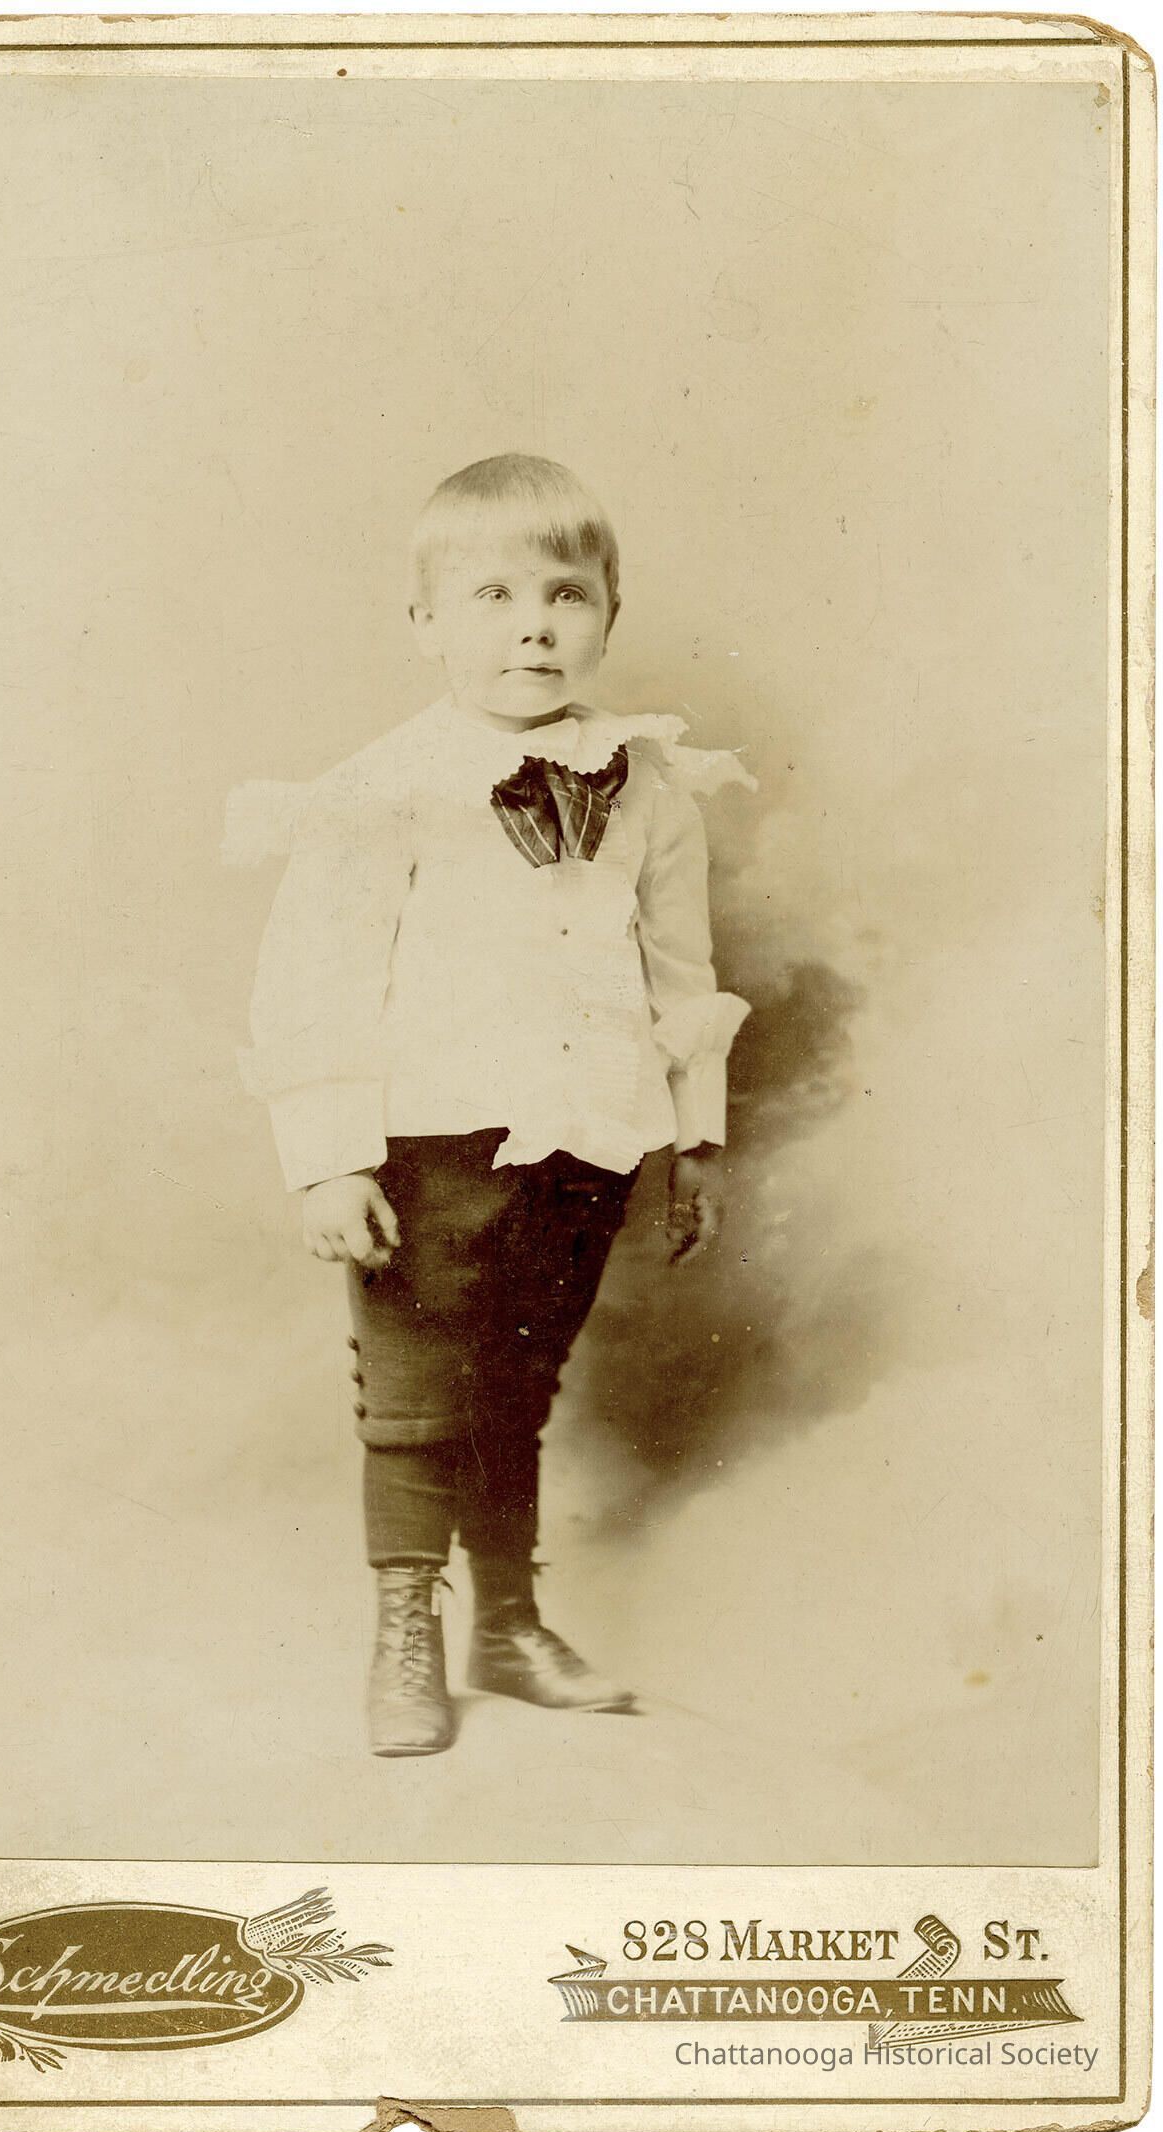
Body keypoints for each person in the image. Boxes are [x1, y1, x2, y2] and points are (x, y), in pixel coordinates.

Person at [225, 453, 753, 1759]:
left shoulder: (649, 781)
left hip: (588, 1136)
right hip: (426, 1142)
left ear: (610, 614)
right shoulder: (379, 787)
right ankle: (405, 1628)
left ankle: (508, 1626)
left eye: (566, 595)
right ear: (426, 623)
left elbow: (681, 969)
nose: (533, 627)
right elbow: (316, 981)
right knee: (416, 1396)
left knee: (517, 1383)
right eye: (492, 597)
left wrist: (695, 1137)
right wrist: (329, 1160)